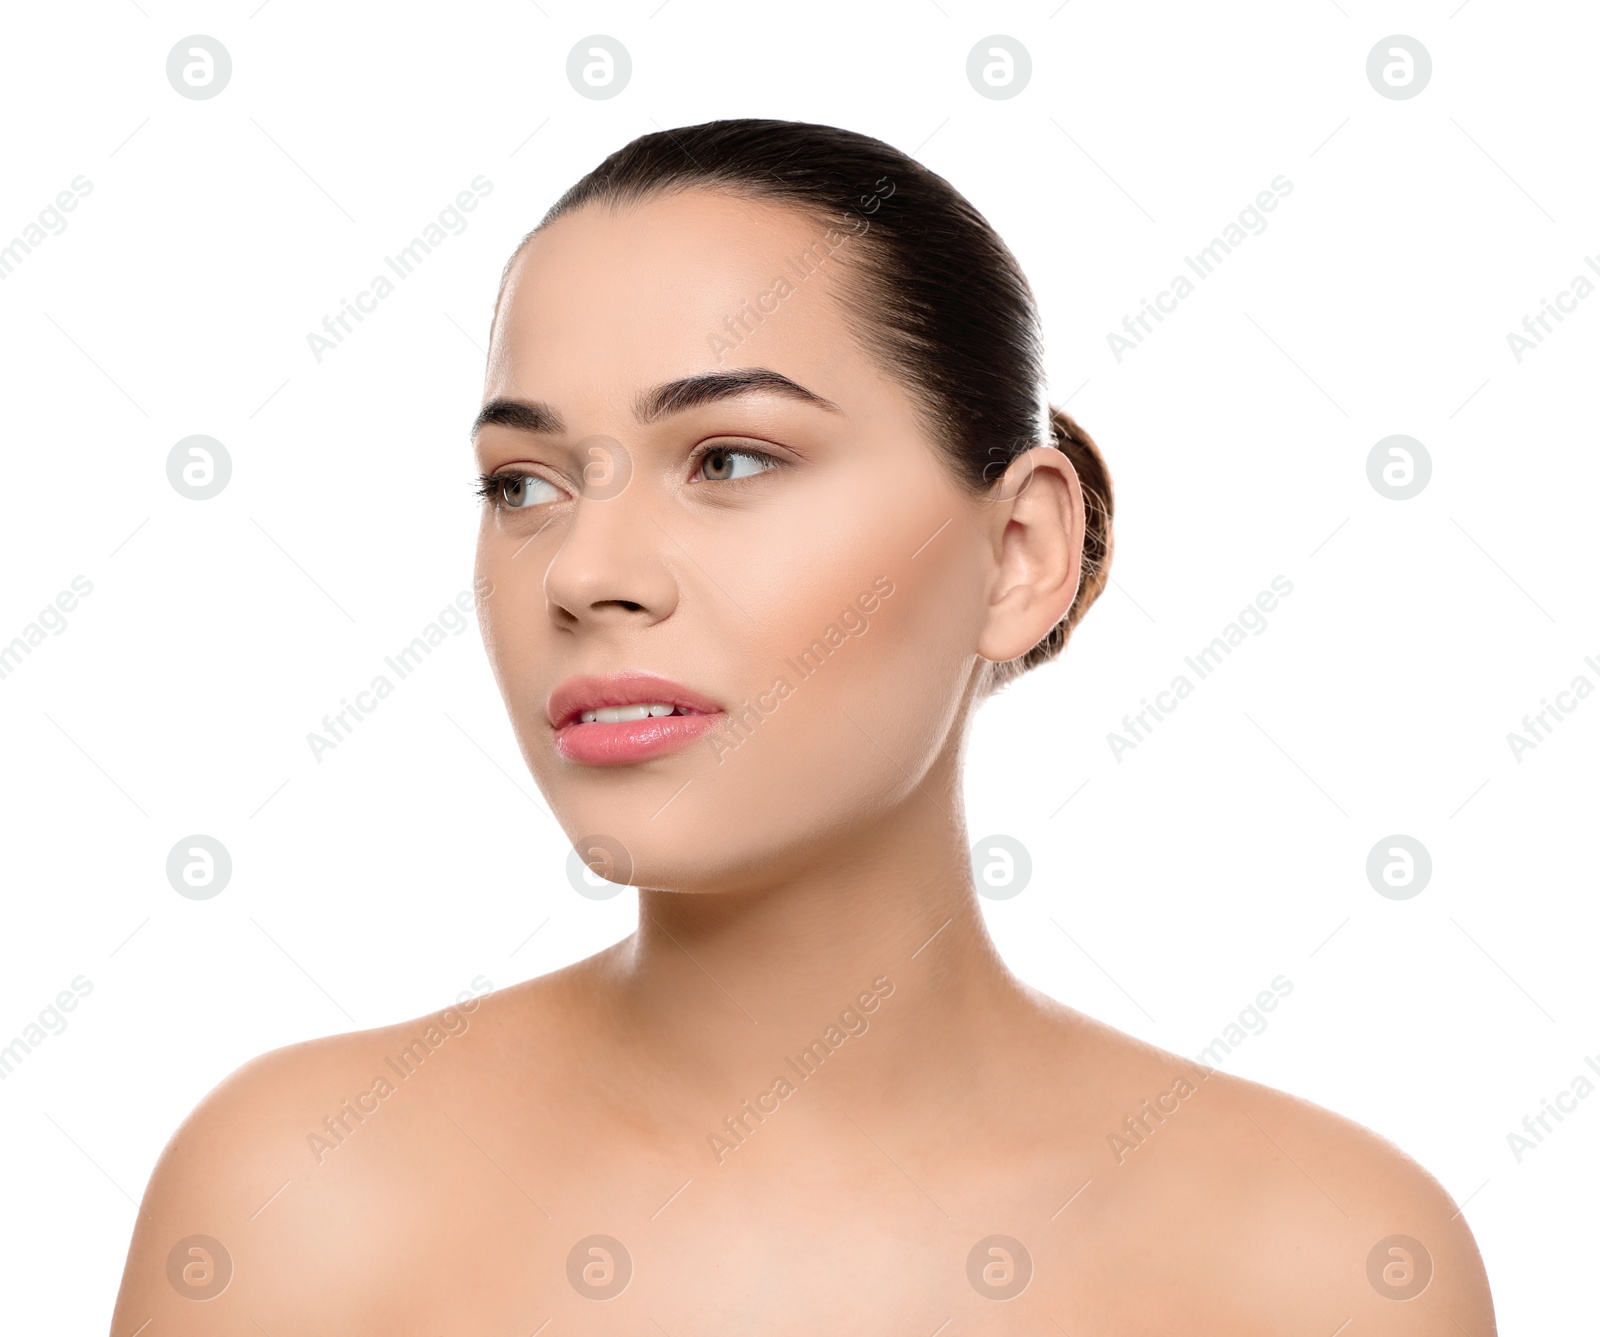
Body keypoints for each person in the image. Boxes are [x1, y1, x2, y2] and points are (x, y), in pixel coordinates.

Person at [112, 119, 1495, 1334]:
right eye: (524, 483)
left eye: (729, 459)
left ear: (1018, 550)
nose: (587, 572)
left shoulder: (1324, 1264)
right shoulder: (291, 1204)